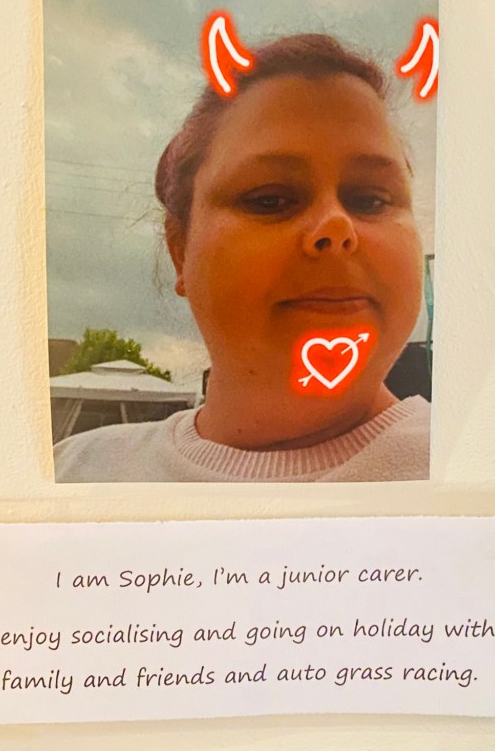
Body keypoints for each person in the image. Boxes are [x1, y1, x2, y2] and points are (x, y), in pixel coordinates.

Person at [54, 33, 431, 482]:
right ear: (180, 250)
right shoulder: (74, 474)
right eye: (270, 200)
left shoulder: (475, 470)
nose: (336, 226)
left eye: (370, 200)